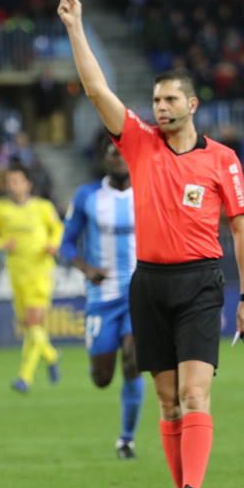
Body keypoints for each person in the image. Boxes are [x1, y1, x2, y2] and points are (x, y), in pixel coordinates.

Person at [58, 0, 244, 488]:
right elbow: (97, 88)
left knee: (196, 394)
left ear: (192, 105)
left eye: (170, 100)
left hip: (199, 283)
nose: (160, 107)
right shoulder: (139, 145)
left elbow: (241, 227)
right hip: (147, 285)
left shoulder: (222, 161)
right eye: (156, 100)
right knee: (168, 404)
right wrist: (76, 27)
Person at [60, 136, 143, 459]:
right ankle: (101, 362)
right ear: (105, 160)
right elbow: (66, 243)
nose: (119, 159)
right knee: (102, 378)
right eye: (113, 154)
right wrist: (86, 268)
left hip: (140, 293)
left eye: (124, 153)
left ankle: (126, 439)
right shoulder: (88, 196)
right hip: (101, 296)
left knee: (134, 360)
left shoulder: (148, 190)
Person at [0, 163, 64, 394]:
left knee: (32, 322)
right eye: (10, 182)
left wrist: (53, 244)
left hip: (40, 271)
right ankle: (51, 355)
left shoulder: (43, 207)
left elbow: (58, 229)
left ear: (28, 184)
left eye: (17, 181)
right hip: (16, 273)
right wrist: (0, 244)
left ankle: (24, 378)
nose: (13, 186)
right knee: (29, 326)